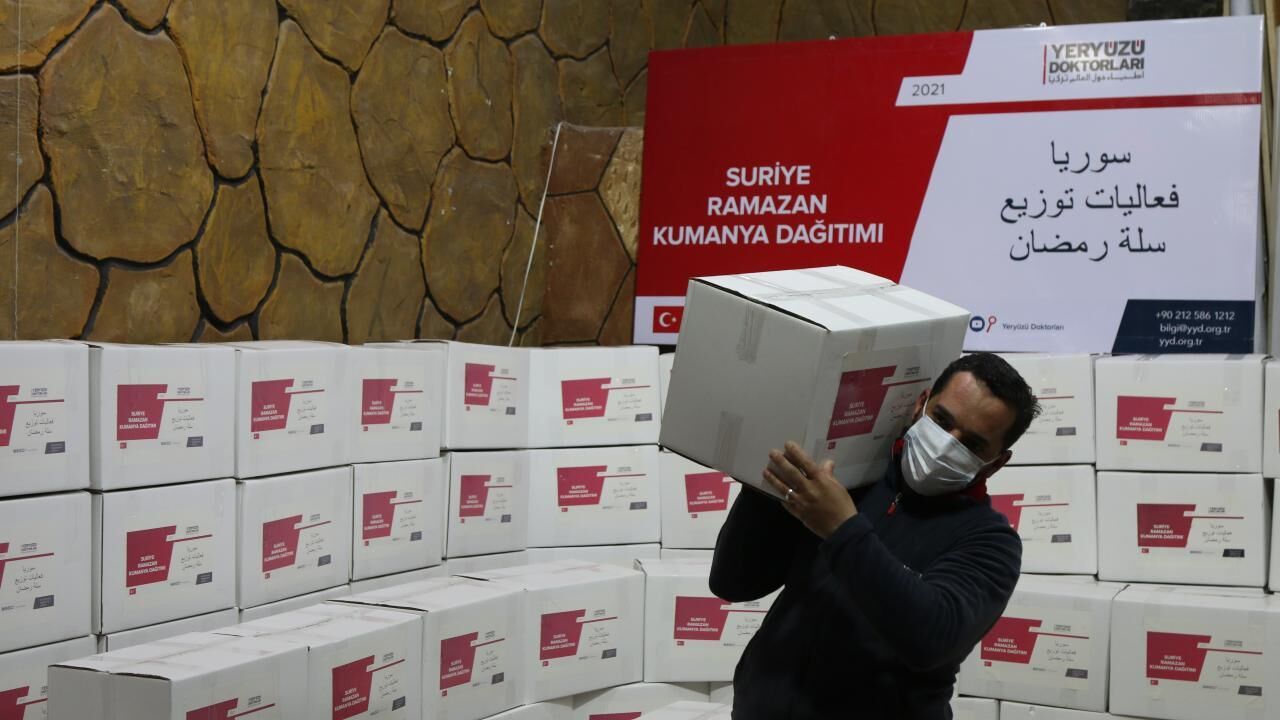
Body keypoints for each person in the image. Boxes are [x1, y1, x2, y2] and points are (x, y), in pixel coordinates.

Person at [709, 352, 1040, 720]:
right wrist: (766, 484)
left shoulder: (990, 542)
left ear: (996, 463)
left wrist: (842, 528)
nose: (947, 444)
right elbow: (733, 582)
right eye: (942, 421)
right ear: (920, 404)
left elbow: (932, 638)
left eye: (972, 445)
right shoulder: (846, 478)